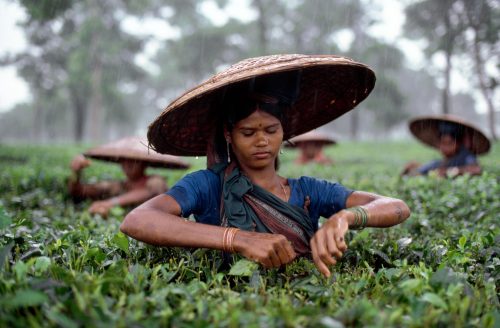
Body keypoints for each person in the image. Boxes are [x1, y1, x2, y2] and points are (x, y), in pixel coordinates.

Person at [120, 54, 411, 277]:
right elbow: (137, 221)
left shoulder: (308, 190)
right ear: (228, 135)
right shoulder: (207, 185)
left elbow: (395, 206)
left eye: (271, 131)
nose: (262, 141)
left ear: (284, 131)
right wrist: (237, 238)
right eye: (248, 133)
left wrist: (345, 218)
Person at [68, 136, 190, 216]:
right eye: (124, 160)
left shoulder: (156, 181)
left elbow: (152, 191)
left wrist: (110, 203)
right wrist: (76, 172)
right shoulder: (117, 186)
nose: (128, 165)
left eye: (134, 161)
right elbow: (78, 191)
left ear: (144, 163)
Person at [401, 115, 491, 177]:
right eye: (442, 143)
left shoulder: (467, 156)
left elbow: (476, 169)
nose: (444, 147)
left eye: (449, 143)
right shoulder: (439, 163)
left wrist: (451, 172)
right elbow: (426, 171)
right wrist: (413, 169)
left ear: (458, 143)